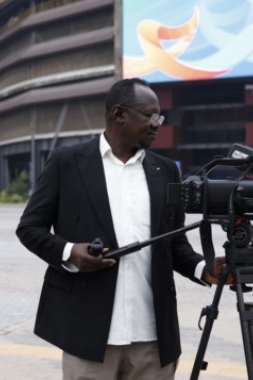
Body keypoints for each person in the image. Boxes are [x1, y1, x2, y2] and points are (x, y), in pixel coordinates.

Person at [16, 78, 225, 379]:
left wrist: (204, 269)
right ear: (119, 114)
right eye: (150, 115)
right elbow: (29, 228)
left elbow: (175, 245)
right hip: (88, 335)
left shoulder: (166, 170)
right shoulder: (67, 162)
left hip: (153, 340)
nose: (157, 124)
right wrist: (70, 252)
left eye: (159, 116)